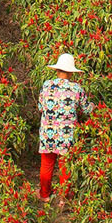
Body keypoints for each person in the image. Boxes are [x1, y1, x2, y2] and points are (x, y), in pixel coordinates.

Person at [36, 53, 91, 201]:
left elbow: (41, 107)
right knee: (65, 166)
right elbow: (87, 110)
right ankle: (63, 198)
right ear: (72, 72)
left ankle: (45, 195)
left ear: (57, 69)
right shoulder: (76, 88)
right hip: (67, 136)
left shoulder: (47, 85)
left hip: (48, 133)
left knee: (47, 165)